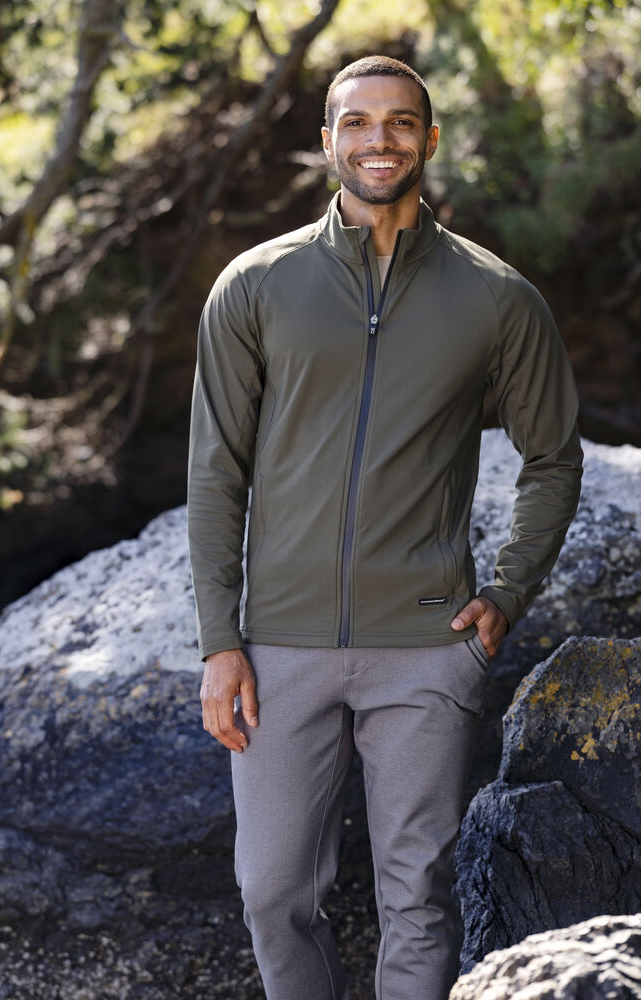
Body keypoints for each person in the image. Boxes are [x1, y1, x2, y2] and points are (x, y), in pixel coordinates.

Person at [187, 55, 582, 1000]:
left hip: (425, 650)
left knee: (418, 896)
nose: (379, 140)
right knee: (271, 893)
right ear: (327, 141)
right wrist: (219, 643)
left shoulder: (496, 297)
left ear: (429, 140)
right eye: (357, 123)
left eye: (400, 122)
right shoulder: (254, 285)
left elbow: (552, 456)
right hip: (278, 648)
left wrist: (506, 592)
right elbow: (214, 472)